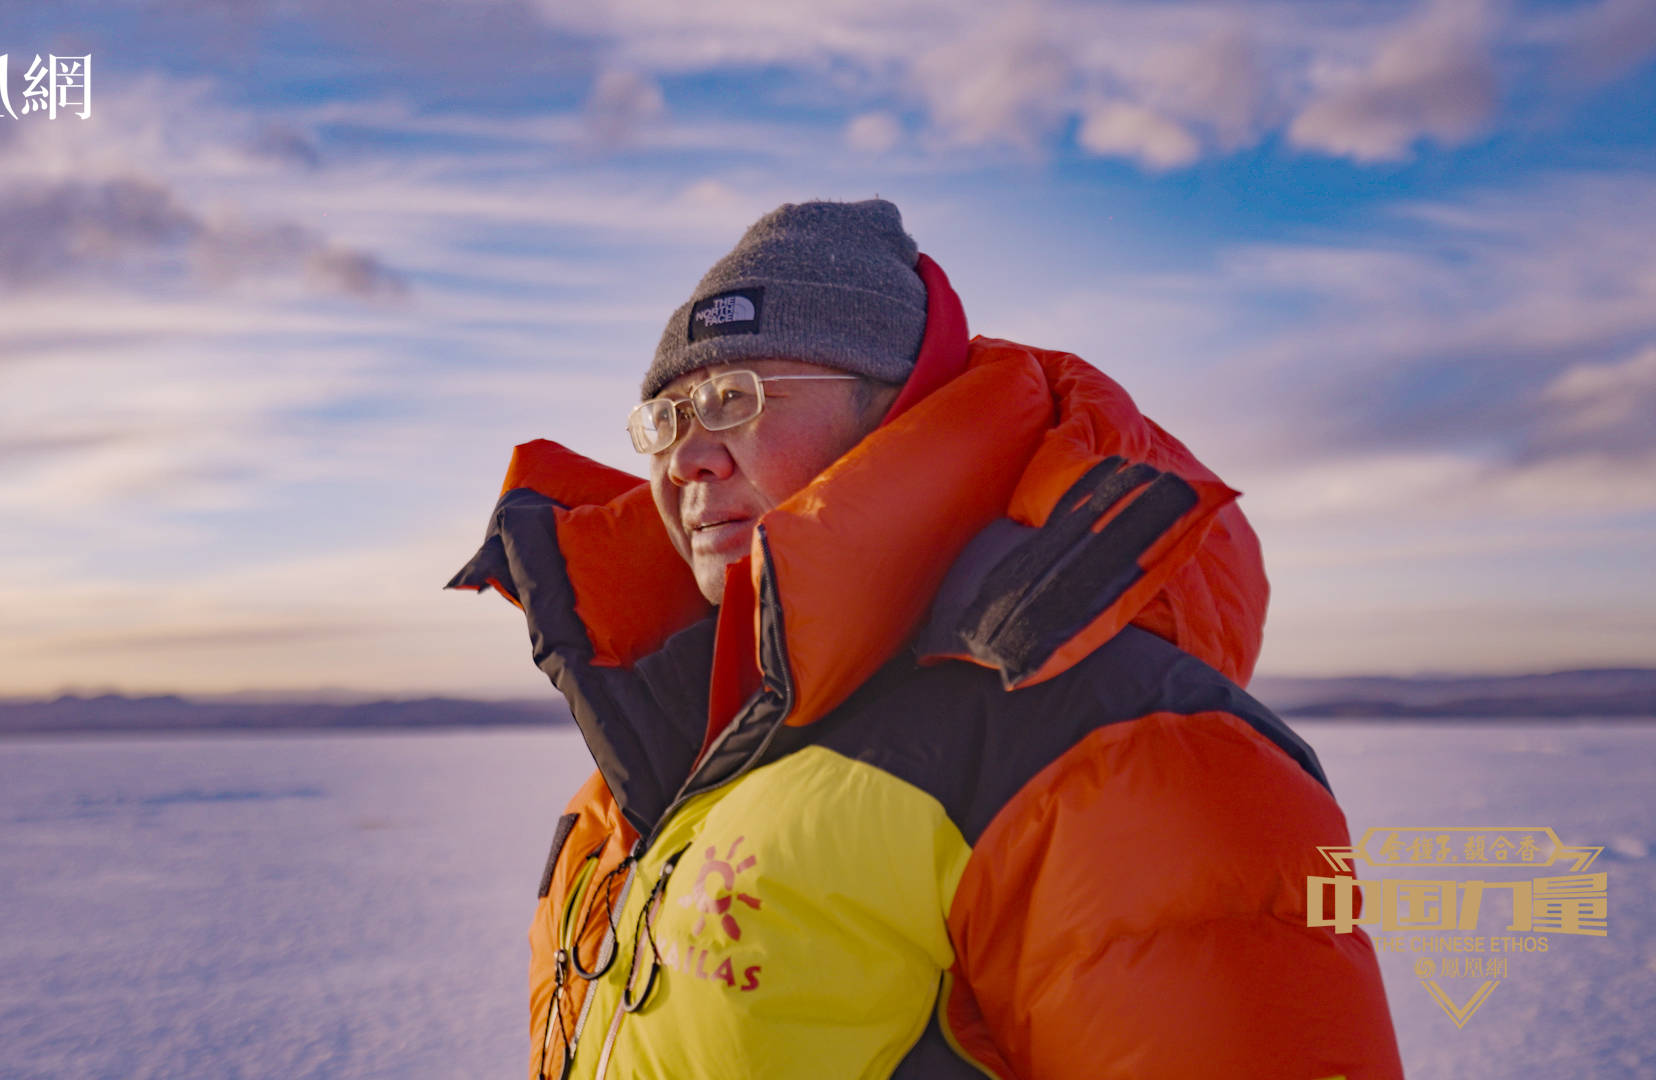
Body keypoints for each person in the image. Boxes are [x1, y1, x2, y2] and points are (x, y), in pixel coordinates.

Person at [448, 199, 1402, 1079]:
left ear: (896, 408)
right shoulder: (663, 760)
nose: (687, 456)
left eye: (735, 397)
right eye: (667, 416)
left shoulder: (1117, 756)